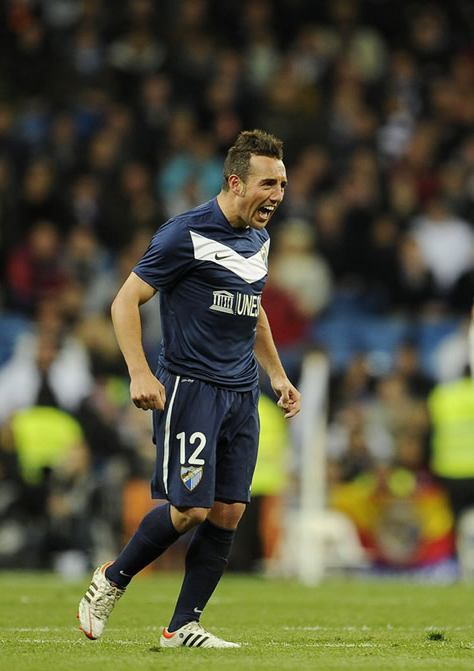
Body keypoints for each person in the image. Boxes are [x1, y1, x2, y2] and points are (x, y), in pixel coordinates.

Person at [77, 129, 301, 648]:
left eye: (283, 184)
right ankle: (112, 579)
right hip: (191, 387)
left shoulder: (259, 240)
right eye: (269, 183)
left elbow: (254, 310)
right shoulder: (185, 234)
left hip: (242, 391)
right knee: (190, 510)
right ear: (235, 181)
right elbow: (124, 302)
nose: (278, 195)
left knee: (229, 512)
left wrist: (277, 375)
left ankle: (182, 626)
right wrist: (137, 371)